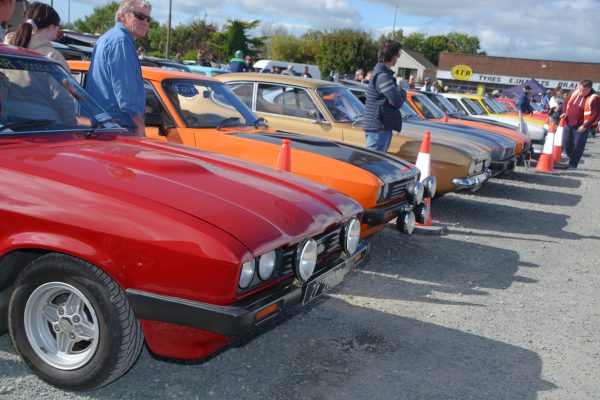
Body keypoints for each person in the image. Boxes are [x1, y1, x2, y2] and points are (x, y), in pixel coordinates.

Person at [85, 0, 151, 135]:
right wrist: (139, 124)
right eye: (140, 16)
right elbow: (126, 91)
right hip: (119, 127)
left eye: (148, 18)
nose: (145, 22)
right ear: (122, 15)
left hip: (106, 126)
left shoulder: (108, 38)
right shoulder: (121, 42)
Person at [363, 39, 406, 152]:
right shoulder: (383, 76)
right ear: (392, 56)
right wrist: (400, 92)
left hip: (380, 127)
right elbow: (398, 102)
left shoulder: (383, 73)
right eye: (397, 55)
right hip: (378, 127)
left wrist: (399, 91)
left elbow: (396, 98)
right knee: (375, 161)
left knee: (377, 160)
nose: (397, 59)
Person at [4, 2, 69, 71]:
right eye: (57, 29)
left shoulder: (5, 49)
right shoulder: (54, 57)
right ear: (51, 27)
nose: (55, 36)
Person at [561, 80, 600, 168]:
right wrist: (564, 112)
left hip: (582, 126)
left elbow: (595, 114)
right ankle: (570, 158)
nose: (580, 92)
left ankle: (573, 164)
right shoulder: (575, 92)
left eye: (583, 90)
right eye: (580, 89)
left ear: (588, 89)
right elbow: (566, 103)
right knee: (566, 143)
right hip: (568, 123)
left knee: (577, 146)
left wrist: (585, 126)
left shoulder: (594, 98)